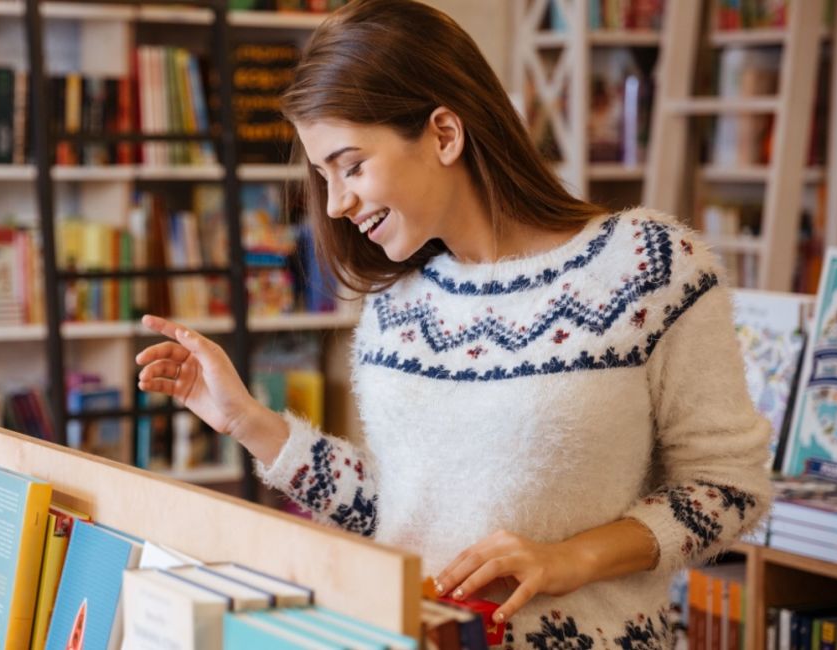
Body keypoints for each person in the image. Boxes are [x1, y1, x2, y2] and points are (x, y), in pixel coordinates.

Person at [135, 0, 771, 647]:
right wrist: (248, 420)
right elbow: (398, 507)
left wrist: (571, 558)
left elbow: (728, 487)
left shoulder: (650, 265)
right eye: (323, 175)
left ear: (444, 133)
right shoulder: (395, 303)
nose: (336, 203)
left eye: (351, 165)